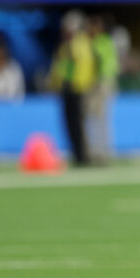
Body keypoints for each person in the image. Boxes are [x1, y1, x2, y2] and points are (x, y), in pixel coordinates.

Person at [49, 11, 95, 166]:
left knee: (78, 123)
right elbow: (60, 68)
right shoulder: (67, 46)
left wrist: (79, 84)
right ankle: (77, 154)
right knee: (70, 124)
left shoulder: (79, 44)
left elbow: (80, 67)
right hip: (68, 89)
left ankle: (83, 155)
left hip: (78, 89)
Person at [86, 15, 119, 163]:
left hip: (102, 84)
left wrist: (98, 82)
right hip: (104, 83)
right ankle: (98, 151)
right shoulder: (106, 41)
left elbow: (99, 62)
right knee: (97, 119)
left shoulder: (100, 42)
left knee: (100, 120)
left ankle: (101, 152)